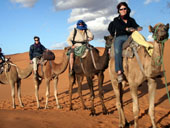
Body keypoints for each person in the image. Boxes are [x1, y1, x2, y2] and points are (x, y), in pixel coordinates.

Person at [108, 2, 143, 83]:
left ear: (127, 9)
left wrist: (138, 27)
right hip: (120, 37)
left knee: (142, 47)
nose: (123, 10)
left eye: (124, 8)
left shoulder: (131, 20)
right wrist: (127, 29)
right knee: (117, 51)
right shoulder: (116, 20)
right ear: (119, 11)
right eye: (121, 9)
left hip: (131, 37)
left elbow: (136, 25)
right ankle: (119, 72)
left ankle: (145, 69)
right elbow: (119, 26)